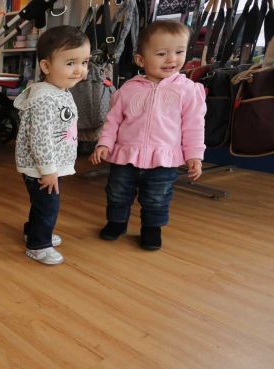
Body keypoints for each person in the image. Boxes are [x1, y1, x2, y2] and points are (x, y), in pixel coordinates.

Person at [90, 20, 206, 250]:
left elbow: (194, 126)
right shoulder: (128, 89)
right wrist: (104, 143)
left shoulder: (188, 90)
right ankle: (116, 223)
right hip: (125, 156)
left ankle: (151, 229)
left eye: (179, 52)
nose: (172, 59)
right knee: (117, 193)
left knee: (157, 197)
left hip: (164, 159)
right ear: (141, 60)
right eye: (162, 54)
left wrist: (194, 155)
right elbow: (113, 120)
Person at [14, 25, 90, 265]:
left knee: (42, 204)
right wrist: (48, 170)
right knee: (48, 206)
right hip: (43, 168)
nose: (79, 70)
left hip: (50, 167)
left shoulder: (60, 90)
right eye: (70, 63)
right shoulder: (45, 99)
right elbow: (40, 138)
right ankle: (38, 245)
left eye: (84, 62)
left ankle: (33, 230)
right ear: (46, 66)